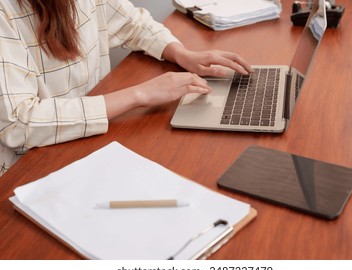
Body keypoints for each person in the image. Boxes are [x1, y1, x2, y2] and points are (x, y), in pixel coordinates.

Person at [0, 0, 253, 176]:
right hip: (26, 167)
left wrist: (183, 54)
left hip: (85, 145)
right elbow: (19, 123)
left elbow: (133, 23)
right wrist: (139, 94)